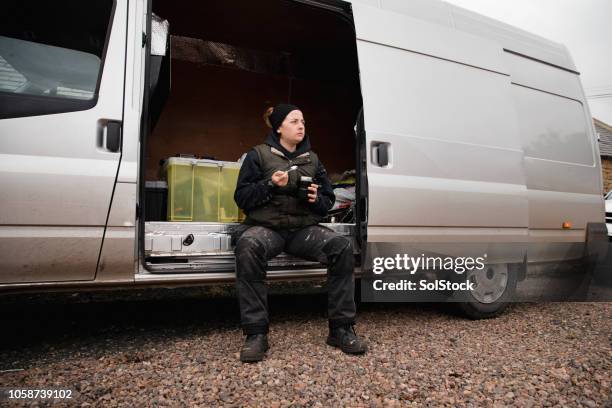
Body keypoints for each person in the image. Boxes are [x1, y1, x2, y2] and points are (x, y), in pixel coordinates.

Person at [233, 103, 367, 362]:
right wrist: (270, 184)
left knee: (341, 246)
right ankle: (256, 334)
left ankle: (341, 328)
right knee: (248, 245)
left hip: (302, 230)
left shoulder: (312, 159)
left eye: (303, 121)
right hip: (266, 229)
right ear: (279, 127)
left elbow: (328, 200)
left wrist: (317, 199)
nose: (301, 126)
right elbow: (242, 197)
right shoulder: (258, 155)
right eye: (294, 121)